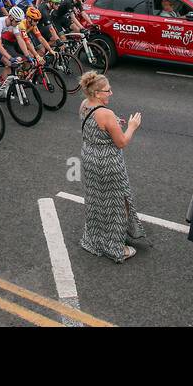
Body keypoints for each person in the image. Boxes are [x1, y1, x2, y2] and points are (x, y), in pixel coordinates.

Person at [77, 72, 145, 262]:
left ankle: (95, 239)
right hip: (108, 163)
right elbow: (121, 142)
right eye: (108, 91)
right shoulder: (105, 114)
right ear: (98, 93)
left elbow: (95, 125)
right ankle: (116, 247)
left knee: (96, 200)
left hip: (89, 158)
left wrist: (115, 123)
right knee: (118, 203)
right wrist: (131, 126)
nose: (111, 93)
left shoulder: (84, 105)